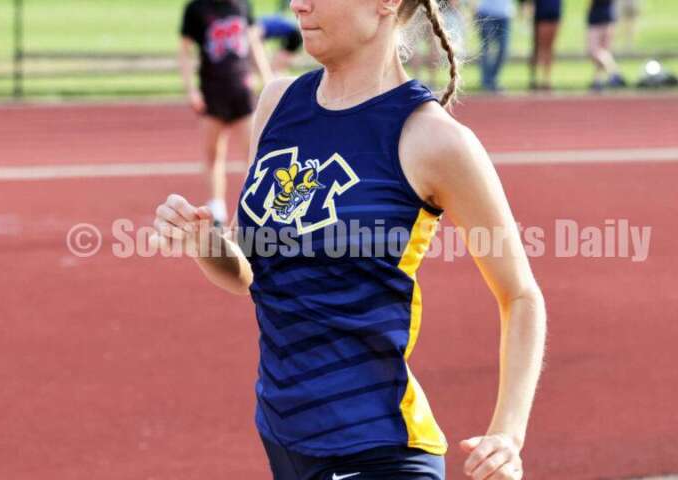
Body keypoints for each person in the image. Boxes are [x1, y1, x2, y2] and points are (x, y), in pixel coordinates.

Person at [154, 0, 546, 478]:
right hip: (285, 441)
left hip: (379, 451)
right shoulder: (279, 105)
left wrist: (508, 433)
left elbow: (521, 294)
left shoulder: (432, 139)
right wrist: (206, 244)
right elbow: (256, 273)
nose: (299, 4)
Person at [178, 0, 273, 226]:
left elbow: (253, 44)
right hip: (212, 91)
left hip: (241, 90)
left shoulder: (242, 5)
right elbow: (185, 50)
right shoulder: (197, 8)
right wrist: (191, 90)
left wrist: (268, 80)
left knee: (254, 156)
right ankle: (217, 209)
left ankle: (254, 208)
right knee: (213, 154)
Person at [587, 0, 626, 91]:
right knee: (603, 51)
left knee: (594, 51)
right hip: (608, 16)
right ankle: (597, 80)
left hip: (597, 17)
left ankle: (614, 71)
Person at [475, 0, 514, 92]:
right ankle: (486, 81)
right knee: (486, 49)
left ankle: (492, 79)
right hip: (486, 13)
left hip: (504, 14)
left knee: (504, 50)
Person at [530, 0, 562, 90]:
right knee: (539, 48)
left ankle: (546, 79)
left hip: (554, 15)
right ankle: (536, 78)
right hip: (541, 16)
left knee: (550, 49)